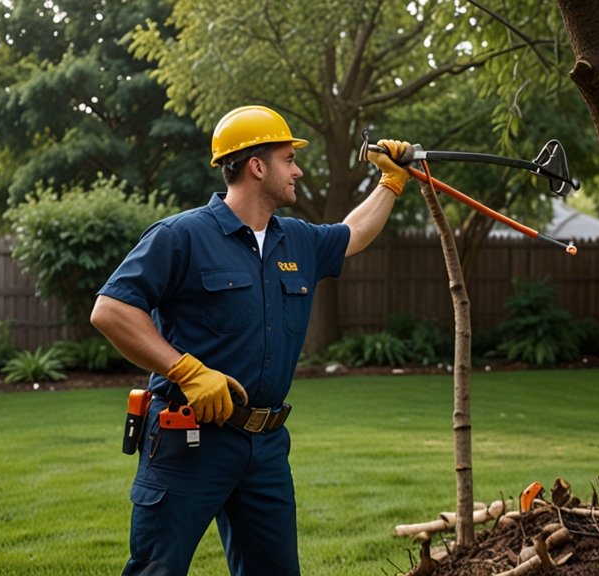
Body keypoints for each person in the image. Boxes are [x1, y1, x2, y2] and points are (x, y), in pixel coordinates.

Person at [90, 105, 411, 576]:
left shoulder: (297, 240)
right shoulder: (181, 236)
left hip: (265, 446)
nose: (298, 170)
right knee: (156, 570)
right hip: (189, 438)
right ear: (257, 166)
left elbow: (355, 232)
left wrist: (391, 182)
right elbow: (111, 310)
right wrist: (186, 370)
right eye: (288, 159)